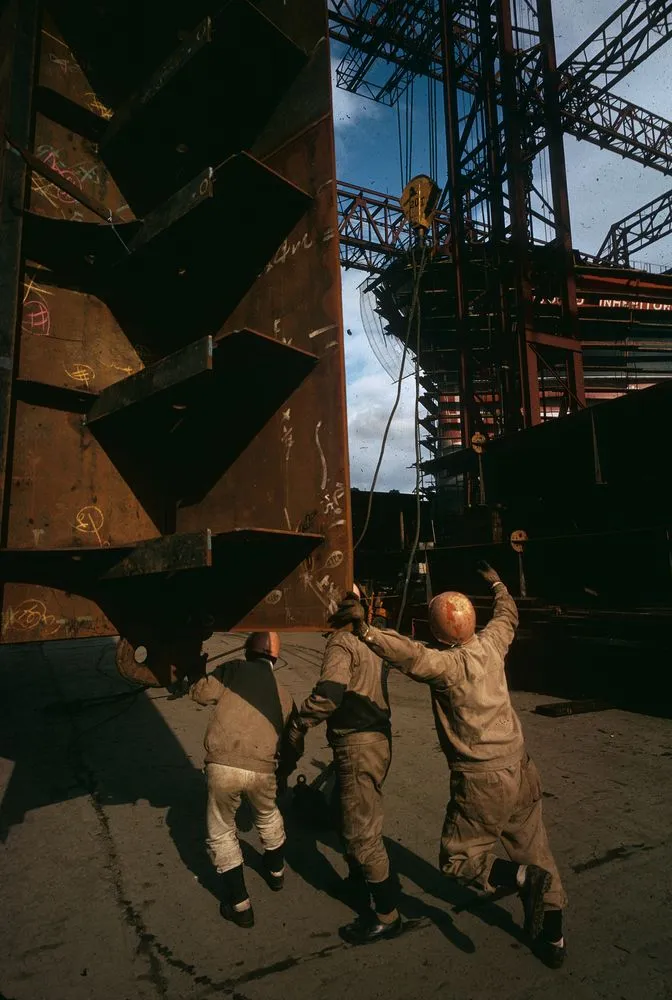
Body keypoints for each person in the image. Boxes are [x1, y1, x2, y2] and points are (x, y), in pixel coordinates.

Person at [329, 563, 567, 968]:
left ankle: (520, 879)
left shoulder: (447, 667)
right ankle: (553, 938)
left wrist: (365, 631)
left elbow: (409, 655)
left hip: (482, 778)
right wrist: (496, 583)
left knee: (458, 862)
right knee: (535, 847)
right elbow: (507, 614)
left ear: (438, 633)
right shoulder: (493, 643)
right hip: (520, 765)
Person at [288, 585, 401, 945]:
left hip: (357, 744)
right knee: (345, 811)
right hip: (378, 740)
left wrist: (298, 722)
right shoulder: (374, 638)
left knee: (361, 832)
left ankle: (387, 914)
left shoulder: (341, 643)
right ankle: (358, 878)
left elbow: (329, 696)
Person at [190, 631, 300, 928]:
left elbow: (200, 693)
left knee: (221, 829)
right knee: (267, 814)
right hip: (264, 768)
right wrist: (284, 770)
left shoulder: (234, 669)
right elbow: (292, 740)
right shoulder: (285, 693)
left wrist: (196, 668)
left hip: (223, 765)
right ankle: (276, 872)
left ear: (248, 649)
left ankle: (240, 905)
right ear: (275, 657)